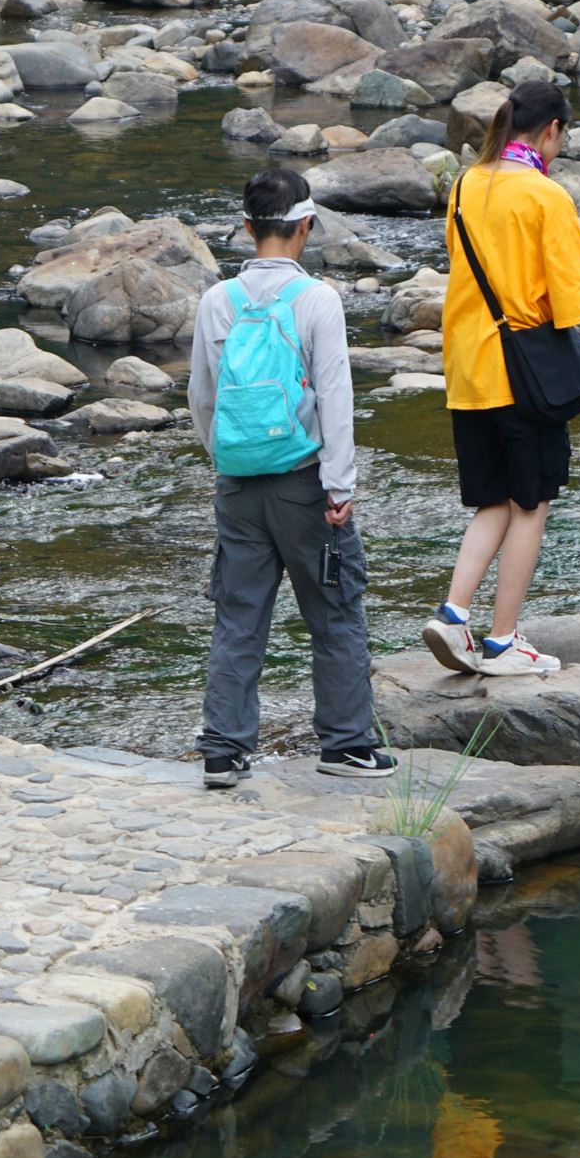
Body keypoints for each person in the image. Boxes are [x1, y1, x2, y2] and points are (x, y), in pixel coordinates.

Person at [431, 79, 580, 680]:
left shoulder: (464, 185)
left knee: (492, 498)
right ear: (552, 129)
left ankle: (453, 615)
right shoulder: (545, 196)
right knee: (530, 503)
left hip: (469, 369)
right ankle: (502, 641)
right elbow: (577, 303)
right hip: (522, 375)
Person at [185, 169, 387, 791]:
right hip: (306, 484)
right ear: (304, 227)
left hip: (238, 485)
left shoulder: (217, 300)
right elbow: (335, 399)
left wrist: (226, 460)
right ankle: (347, 744)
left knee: (239, 615)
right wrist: (341, 485)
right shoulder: (318, 300)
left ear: (247, 228)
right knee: (334, 611)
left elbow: (202, 398)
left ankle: (223, 750)